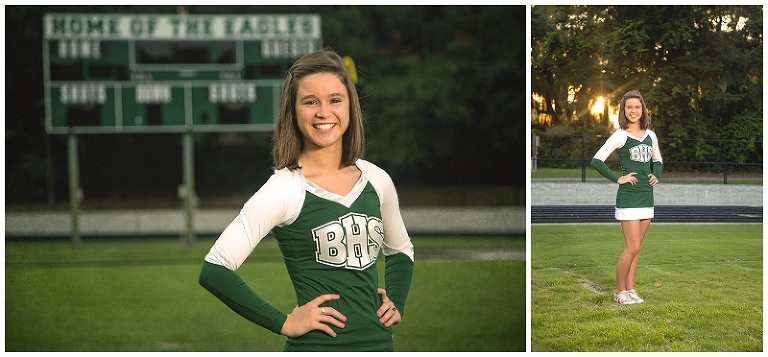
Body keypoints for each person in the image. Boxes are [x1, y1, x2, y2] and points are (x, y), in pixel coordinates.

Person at [198, 49, 415, 351]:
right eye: (310, 101)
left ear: (351, 106)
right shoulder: (285, 188)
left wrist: (397, 300)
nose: (324, 112)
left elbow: (401, 249)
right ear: (293, 110)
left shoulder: (376, 179)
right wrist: (285, 322)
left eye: (335, 100)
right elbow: (215, 268)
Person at [591, 90, 663, 305]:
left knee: (637, 248)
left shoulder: (651, 135)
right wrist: (618, 179)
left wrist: (655, 176)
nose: (633, 111)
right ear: (623, 111)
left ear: (643, 110)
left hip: (646, 197)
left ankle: (630, 289)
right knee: (632, 247)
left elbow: (657, 161)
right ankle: (619, 291)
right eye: (629, 107)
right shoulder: (620, 135)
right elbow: (597, 160)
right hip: (629, 198)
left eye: (637, 107)